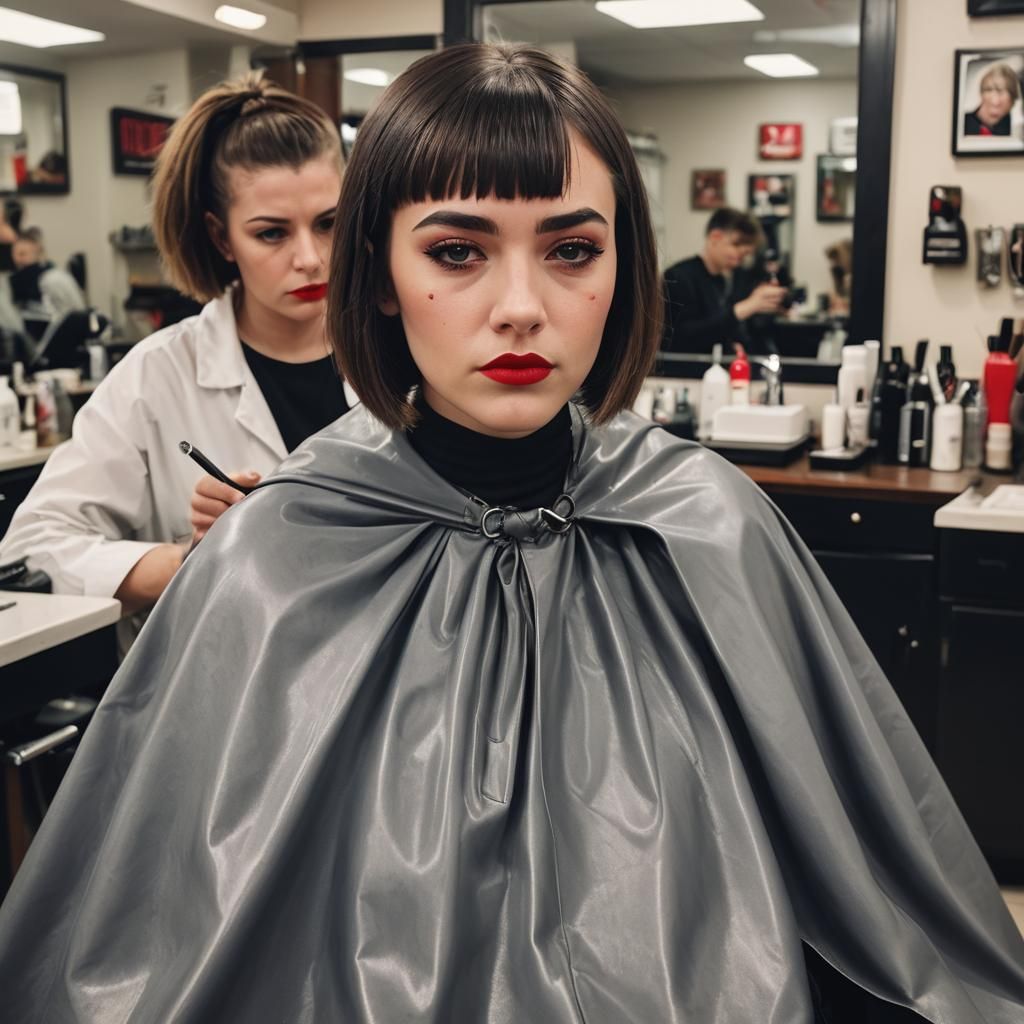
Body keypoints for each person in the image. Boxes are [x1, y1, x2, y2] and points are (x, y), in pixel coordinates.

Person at [1, 43, 1023, 1024]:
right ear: (381, 274)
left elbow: (873, 894)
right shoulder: (271, 552)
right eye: (457, 252)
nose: (523, 308)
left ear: (625, 265)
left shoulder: (709, 520)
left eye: (572, 249)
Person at [0, 73, 353, 654]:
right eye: (271, 234)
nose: (309, 259)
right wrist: (191, 558)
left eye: (328, 223)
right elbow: (33, 550)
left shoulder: (405, 354)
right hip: (229, 702)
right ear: (220, 238)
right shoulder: (158, 376)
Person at [661, 206, 786, 352]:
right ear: (715, 237)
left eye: (744, 255)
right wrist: (742, 309)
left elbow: (717, 330)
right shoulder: (678, 277)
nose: (738, 260)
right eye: (735, 246)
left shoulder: (721, 280)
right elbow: (681, 339)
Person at [7, 228, 87, 319]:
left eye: (22, 254)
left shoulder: (54, 279)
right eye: (14, 254)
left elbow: (77, 313)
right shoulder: (14, 283)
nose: (17, 259)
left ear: (37, 252)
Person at [964, 61, 1021, 137]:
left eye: (1000, 91)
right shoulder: (963, 123)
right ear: (982, 94)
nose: (994, 97)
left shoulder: (1016, 130)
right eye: (988, 89)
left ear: (1012, 100)